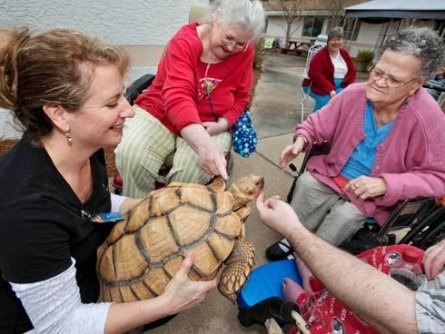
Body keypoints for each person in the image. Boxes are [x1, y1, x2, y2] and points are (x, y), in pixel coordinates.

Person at [0, 27, 216, 333]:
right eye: (112, 103)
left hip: (87, 271)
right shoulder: (25, 210)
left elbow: (91, 208)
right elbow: (61, 325)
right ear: (59, 115)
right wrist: (166, 303)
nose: (129, 111)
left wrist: (147, 205)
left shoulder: (86, 147)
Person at [265, 26, 445, 261]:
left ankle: (311, 255)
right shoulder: (353, 94)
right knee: (307, 184)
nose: (379, 82)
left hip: (373, 194)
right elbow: (316, 123)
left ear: (416, 85)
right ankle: (292, 238)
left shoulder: (428, 118)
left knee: (345, 216)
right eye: (377, 71)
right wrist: (302, 140)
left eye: (393, 79)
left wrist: (386, 184)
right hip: (332, 173)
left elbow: (439, 177)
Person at [115, 0, 266, 198]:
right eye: (229, 38)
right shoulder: (184, 42)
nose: (231, 48)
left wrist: (223, 124)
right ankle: (137, 211)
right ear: (217, 16)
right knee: (132, 155)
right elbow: (178, 95)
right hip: (161, 112)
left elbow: (241, 96)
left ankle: (177, 219)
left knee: (192, 173)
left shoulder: (245, 51)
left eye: (240, 43)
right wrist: (204, 144)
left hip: (211, 122)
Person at [257, 192, 445, 333]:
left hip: (415, 315)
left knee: (345, 215)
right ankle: (316, 280)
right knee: (392, 256)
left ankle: (307, 302)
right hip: (427, 279)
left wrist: (293, 230)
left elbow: (412, 317)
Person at [302, 26, 356, 111]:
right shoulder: (320, 55)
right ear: (328, 41)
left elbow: (352, 72)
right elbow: (315, 75)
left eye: (339, 39)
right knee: (325, 100)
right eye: (334, 40)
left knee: (344, 98)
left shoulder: (344, 54)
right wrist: (330, 90)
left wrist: (349, 86)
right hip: (317, 85)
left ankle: (332, 121)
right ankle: (316, 122)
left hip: (340, 85)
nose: (336, 42)